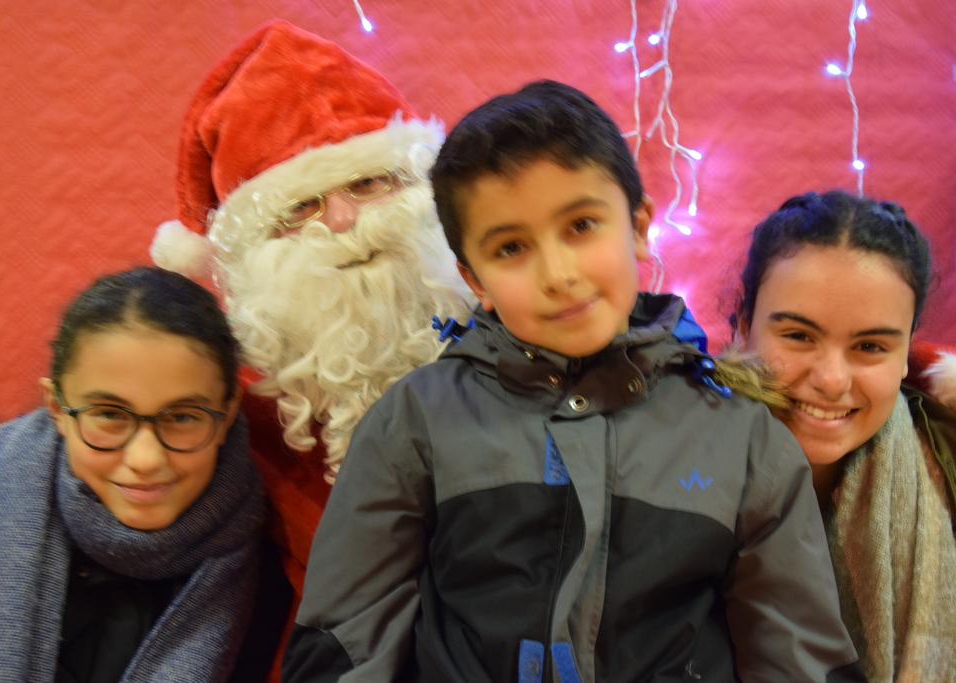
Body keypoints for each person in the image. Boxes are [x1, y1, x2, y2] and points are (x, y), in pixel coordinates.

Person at [283, 80, 864, 681]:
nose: (558, 274)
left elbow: (800, 659)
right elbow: (345, 639)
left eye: (582, 225)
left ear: (638, 226)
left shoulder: (743, 438)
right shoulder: (415, 420)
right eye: (511, 248)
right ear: (474, 279)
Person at [149, 22, 473, 657]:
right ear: (254, 256)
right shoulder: (234, 410)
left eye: (369, 183)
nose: (345, 223)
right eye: (301, 208)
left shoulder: (521, 351)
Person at [0, 266, 283, 682]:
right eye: (110, 415)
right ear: (58, 408)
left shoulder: (261, 585)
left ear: (227, 414)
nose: (145, 459)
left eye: (183, 416)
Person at [733, 190, 956, 681]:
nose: (832, 380)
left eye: (870, 346)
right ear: (744, 325)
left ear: (905, 354)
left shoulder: (949, 466)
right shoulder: (663, 466)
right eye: (798, 336)